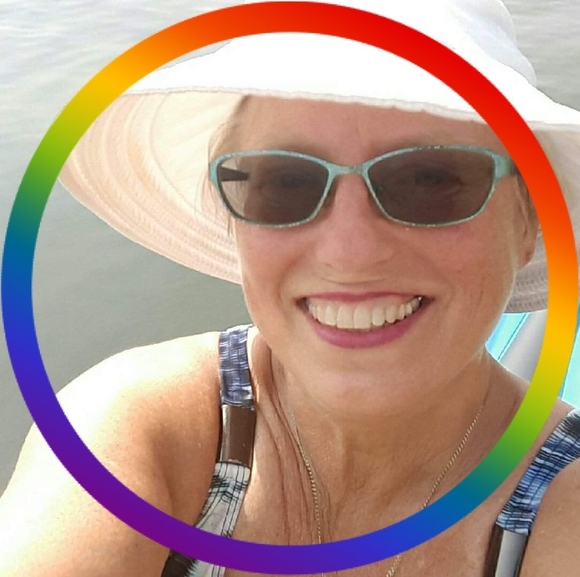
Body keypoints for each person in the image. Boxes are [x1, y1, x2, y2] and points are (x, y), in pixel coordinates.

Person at [1, 0, 580, 575]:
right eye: (286, 183)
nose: (349, 252)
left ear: (528, 221)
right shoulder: (135, 431)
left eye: (430, 180)